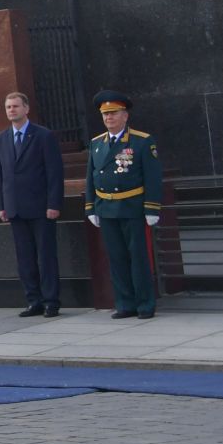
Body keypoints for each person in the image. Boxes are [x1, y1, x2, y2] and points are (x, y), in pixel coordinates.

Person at [85, 90, 161, 320]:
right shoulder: (96, 143)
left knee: (138, 258)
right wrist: (91, 207)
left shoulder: (141, 141)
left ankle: (145, 304)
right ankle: (125, 303)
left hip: (132, 207)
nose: (109, 118)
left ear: (125, 116)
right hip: (107, 209)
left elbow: (153, 176)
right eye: (105, 114)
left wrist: (152, 208)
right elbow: (91, 177)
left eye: (114, 113)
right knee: (116, 259)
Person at [0, 90, 65, 318]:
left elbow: (54, 173)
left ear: (26, 109)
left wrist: (54, 203)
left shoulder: (43, 136)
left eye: (15, 106)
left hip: (41, 207)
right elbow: (0, 174)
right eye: (8, 107)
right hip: (15, 208)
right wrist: (2, 205)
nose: (12, 110)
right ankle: (33, 301)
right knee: (25, 259)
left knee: (45, 257)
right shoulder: (1, 139)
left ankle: (51, 302)